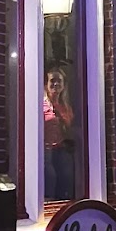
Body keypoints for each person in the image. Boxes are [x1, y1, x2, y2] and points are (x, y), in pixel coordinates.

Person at [42, 66, 75, 201]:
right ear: (46, 83)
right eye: (52, 80)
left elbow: (69, 129)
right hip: (46, 148)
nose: (55, 84)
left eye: (59, 81)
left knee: (66, 176)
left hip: (61, 148)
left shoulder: (66, 107)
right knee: (50, 177)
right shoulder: (41, 104)